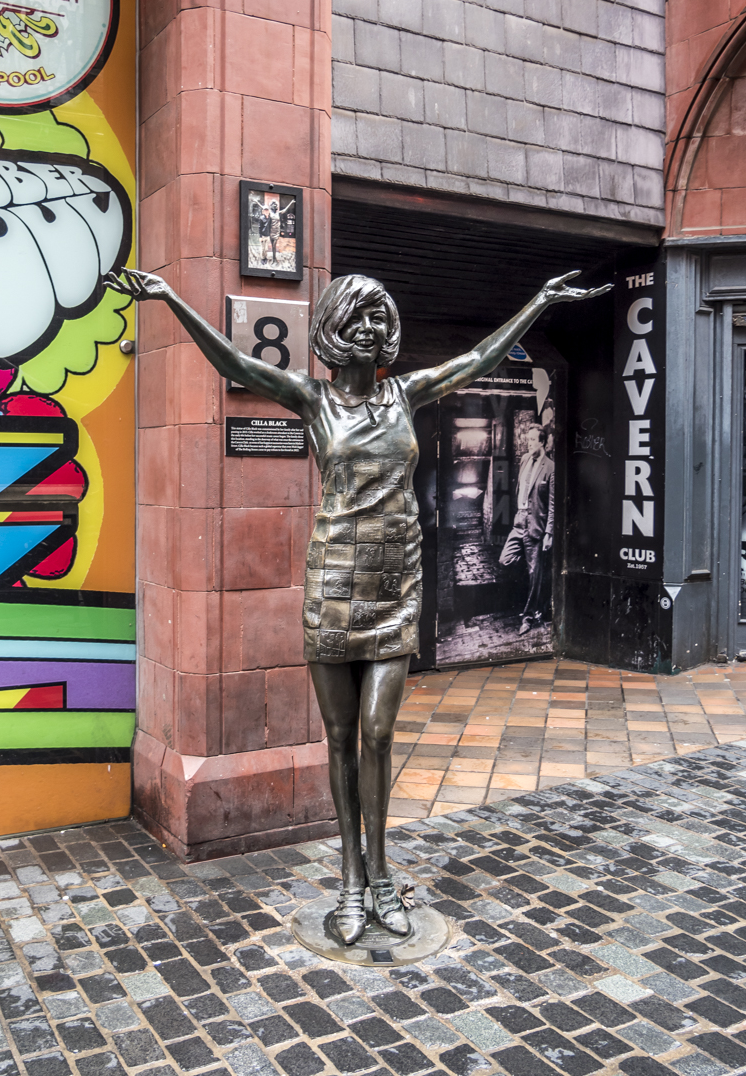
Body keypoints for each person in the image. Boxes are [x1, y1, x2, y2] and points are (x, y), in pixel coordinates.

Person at [105, 266, 609, 945]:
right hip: (335, 581)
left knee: (377, 732)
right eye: (362, 315)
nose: (374, 327)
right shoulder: (313, 400)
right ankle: (350, 876)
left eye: (382, 316)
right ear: (337, 327)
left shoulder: (405, 393)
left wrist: (538, 300)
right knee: (340, 738)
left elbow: (477, 358)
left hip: (396, 579)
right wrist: (170, 300)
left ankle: (380, 875)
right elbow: (233, 360)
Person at [498, 423, 554, 635]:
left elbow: (552, 505)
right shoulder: (523, 460)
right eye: (527, 440)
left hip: (536, 528)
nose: (528, 444)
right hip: (518, 522)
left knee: (534, 576)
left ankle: (528, 618)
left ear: (541, 442)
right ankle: (534, 570)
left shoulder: (550, 467)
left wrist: (549, 533)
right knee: (505, 559)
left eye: (532, 440)